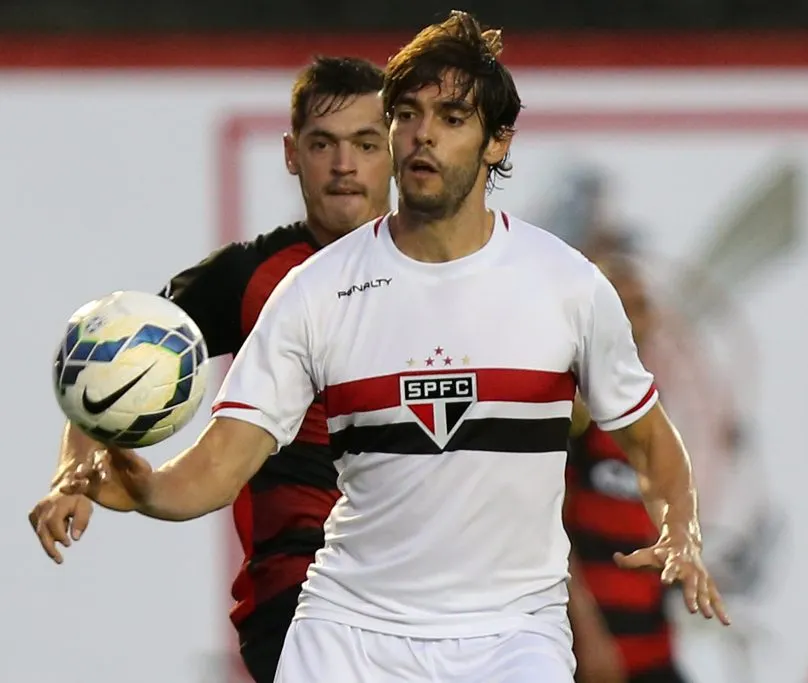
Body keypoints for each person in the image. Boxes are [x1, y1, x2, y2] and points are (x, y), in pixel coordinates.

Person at [62, 11, 729, 682]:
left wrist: (682, 528)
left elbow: (650, 441)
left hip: (511, 637)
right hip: (347, 634)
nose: (422, 135)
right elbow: (222, 461)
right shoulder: (315, 291)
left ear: (498, 143)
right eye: (407, 114)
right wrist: (149, 489)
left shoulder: (566, 287)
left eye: (451, 118)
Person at [28, 56, 393, 683]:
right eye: (322, 144)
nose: (343, 166)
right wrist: (72, 473)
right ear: (290, 153)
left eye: (365, 143)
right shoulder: (251, 278)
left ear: (395, 149)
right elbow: (111, 358)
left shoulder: (451, 275)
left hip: (430, 592)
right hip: (302, 590)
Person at [565, 250, 691, 683]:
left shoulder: (649, 409)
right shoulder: (574, 412)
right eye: (621, 305)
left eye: (641, 306)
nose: (636, 320)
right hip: (600, 655)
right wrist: (589, 637)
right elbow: (544, 530)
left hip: (653, 649)